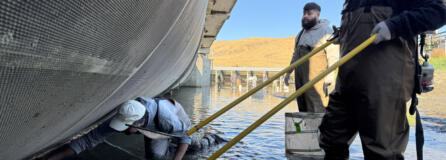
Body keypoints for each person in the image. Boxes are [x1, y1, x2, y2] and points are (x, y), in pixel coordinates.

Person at [318, 0, 446, 159]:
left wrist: (394, 26)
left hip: (385, 84)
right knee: (331, 137)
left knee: (382, 151)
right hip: (347, 81)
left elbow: (438, 12)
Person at [41, 97, 192, 160]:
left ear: (138, 124)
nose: (121, 130)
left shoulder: (166, 118)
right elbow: (87, 140)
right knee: (154, 156)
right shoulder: (126, 114)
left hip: (176, 114)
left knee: (190, 143)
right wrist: (51, 158)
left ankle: (199, 143)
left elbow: (185, 136)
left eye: (125, 128)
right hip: (152, 127)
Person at [284, 2, 337, 112]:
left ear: (318, 15)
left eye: (309, 13)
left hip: (316, 80)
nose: (305, 16)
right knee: (302, 108)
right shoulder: (300, 34)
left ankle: (320, 129)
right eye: (304, 14)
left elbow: (333, 55)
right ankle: (305, 130)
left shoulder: (326, 31)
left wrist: (329, 77)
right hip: (300, 79)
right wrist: (288, 72)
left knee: (317, 109)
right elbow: (295, 55)